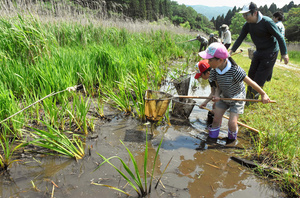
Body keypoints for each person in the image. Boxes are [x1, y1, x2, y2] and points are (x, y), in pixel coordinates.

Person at [199, 42, 271, 141]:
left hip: (237, 97)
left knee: (232, 124)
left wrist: (263, 94)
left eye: (210, 60)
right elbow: (217, 85)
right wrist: (216, 95)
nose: (208, 62)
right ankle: (211, 140)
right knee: (216, 119)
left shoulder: (234, 70)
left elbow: (250, 82)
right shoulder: (214, 70)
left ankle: (231, 142)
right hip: (224, 96)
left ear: (220, 60)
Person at [229, 2, 289, 102]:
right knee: (251, 74)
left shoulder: (267, 22)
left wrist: (284, 53)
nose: (244, 17)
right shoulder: (248, 24)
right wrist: (231, 51)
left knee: (260, 76)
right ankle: (248, 96)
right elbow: (240, 38)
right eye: (243, 15)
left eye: (246, 14)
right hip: (259, 50)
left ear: (255, 13)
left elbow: (279, 37)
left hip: (270, 51)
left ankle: (253, 100)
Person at [194, 59, 215, 126]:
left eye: (201, 75)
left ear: (207, 73)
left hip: (230, 95)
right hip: (219, 94)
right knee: (213, 110)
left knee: (215, 108)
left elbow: (218, 92)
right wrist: (205, 102)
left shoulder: (217, 77)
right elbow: (213, 92)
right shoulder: (210, 79)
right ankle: (210, 127)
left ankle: (214, 128)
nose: (201, 77)